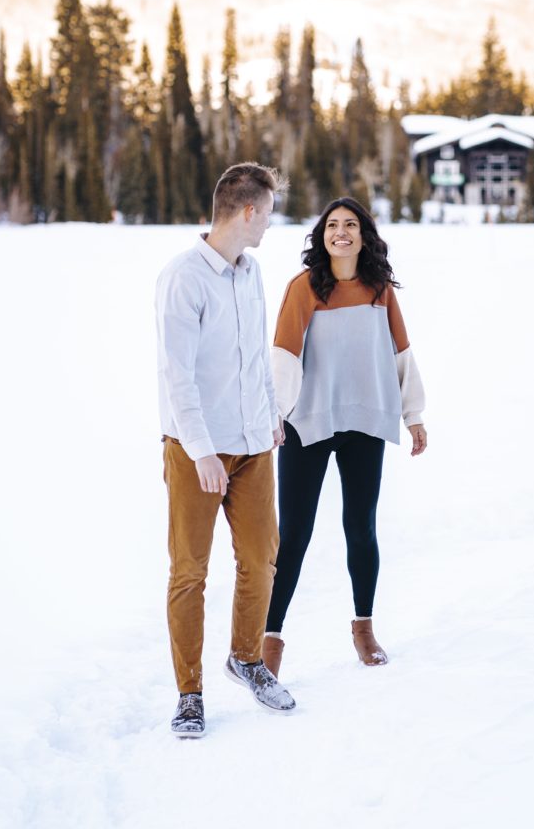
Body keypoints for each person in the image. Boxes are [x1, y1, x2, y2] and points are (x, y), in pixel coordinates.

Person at [155, 162, 296, 739]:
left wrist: (269, 417)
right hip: (197, 450)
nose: (269, 224)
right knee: (190, 571)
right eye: (267, 213)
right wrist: (201, 450)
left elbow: (256, 355)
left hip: (253, 443)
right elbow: (177, 376)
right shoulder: (183, 278)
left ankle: (246, 658)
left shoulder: (251, 271)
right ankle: (190, 693)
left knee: (262, 556)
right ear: (247, 211)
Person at [262, 197, 427, 677]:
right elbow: (284, 357)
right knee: (294, 534)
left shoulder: (380, 291)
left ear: (364, 235)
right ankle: (269, 641)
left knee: (362, 527)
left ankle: (364, 628)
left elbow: (402, 354)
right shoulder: (304, 288)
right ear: (322, 236)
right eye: (333, 225)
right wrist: (275, 415)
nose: (341, 232)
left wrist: (413, 413)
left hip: (364, 421)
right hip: (307, 423)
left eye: (350, 224)